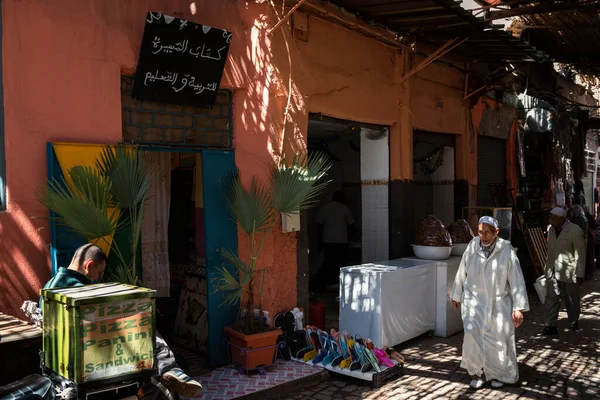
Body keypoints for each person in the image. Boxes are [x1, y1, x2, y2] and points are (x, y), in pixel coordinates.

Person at [40, 244, 203, 397]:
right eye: (99, 272)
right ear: (88, 265)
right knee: (145, 329)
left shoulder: (50, 286)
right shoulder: (80, 290)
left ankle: (170, 369)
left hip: (63, 357)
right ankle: (170, 369)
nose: (98, 278)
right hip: (91, 354)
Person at [450, 216, 529, 390]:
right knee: (472, 337)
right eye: (480, 232)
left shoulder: (506, 250)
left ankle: (498, 374)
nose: (483, 236)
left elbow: (516, 279)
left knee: (498, 340)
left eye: (487, 232)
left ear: (496, 232)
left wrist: (518, 308)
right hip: (473, 302)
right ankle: (477, 373)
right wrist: (456, 294)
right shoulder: (472, 246)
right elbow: (462, 270)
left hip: (498, 303)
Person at [544, 207, 586, 334]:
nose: (550, 221)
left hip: (569, 271)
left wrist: (580, 273)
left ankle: (573, 320)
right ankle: (550, 325)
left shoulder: (575, 231)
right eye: (550, 217)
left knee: (571, 299)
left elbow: (580, 253)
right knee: (552, 298)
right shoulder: (550, 229)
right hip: (552, 269)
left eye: (553, 218)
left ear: (562, 219)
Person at [316, 191, 355, 287]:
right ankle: (340, 283)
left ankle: (328, 282)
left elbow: (319, 226)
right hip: (342, 241)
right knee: (341, 262)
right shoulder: (345, 209)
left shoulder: (324, 208)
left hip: (328, 240)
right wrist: (350, 238)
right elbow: (351, 225)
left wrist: (319, 241)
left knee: (329, 262)